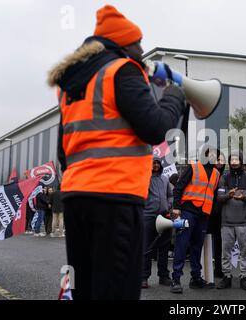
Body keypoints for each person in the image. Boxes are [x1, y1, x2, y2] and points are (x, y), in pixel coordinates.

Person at [48, 5, 186, 299]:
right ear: (124, 44)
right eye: (138, 43)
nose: (142, 49)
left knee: (84, 287)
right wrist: (174, 96)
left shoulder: (74, 84)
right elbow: (154, 128)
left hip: (76, 197)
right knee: (118, 289)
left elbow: (63, 151)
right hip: (116, 197)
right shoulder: (121, 69)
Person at [170, 146, 220, 294]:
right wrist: (177, 207)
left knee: (197, 246)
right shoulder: (193, 167)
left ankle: (196, 278)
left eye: (214, 154)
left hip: (203, 214)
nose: (211, 156)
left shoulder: (217, 173)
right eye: (209, 153)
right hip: (187, 211)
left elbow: (213, 196)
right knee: (181, 244)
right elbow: (178, 188)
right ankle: (176, 279)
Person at [216, 152, 246, 290]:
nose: (234, 162)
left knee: (245, 250)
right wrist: (229, 195)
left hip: (243, 222)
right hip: (226, 221)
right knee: (225, 251)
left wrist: (243, 197)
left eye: (236, 159)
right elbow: (219, 198)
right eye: (231, 159)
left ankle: (244, 276)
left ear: (241, 161)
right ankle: (227, 276)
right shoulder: (224, 178)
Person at [141, 158, 173, 289]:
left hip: (165, 217)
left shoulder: (165, 179)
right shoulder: (144, 178)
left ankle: (163, 276)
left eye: (157, 163)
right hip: (148, 217)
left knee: (164, 247)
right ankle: (143, 278)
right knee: (146, 248)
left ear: (160, 165)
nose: (155, 165)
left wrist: (169, 205)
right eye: (153, 163)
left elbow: (170, 195)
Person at [207, 152, 226, 279]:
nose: (219, 162)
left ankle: (218, 268)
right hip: (207, 212)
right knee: (206, 242)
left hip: (221, 215)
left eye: (221, 160)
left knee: (219, 243)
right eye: (217, 159)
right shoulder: (208, 174)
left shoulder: (226, 176)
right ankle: (205, 269)